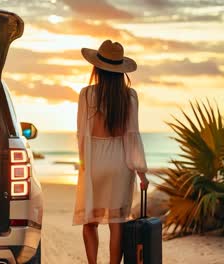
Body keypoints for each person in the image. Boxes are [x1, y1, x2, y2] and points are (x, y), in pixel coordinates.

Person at [73, 40, 149, 264]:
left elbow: (81, 133)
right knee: (117, 224)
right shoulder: (130, 96)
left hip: (95, 164)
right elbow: (132, 135)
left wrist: (84, 163)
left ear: (96, 68)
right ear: (121, 71)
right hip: (120, 165)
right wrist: (141, 173)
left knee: (90, 222)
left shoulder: (86, 94)